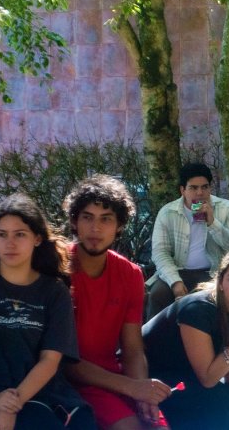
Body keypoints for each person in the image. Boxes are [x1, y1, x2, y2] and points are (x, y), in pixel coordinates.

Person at [0, 194, 97, 430]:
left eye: (19, 234)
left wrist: (12, 404)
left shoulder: (54, 291)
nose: (9, 243)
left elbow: (50, 361)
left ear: (37, 238)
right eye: (2, 235)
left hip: (44, 397)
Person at [63, 175, 172, 429]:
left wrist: (143, 394)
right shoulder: (57, 268)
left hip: (114, 378)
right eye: (87, 217)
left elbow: (132, 348)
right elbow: (63, 360)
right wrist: (134, 388)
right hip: (66, 382)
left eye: (106, 219)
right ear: (74, 221)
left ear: (119, 225)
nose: (95, 229)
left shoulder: (131, 274)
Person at [142, 246, 229, 429]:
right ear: (220, 283)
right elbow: (208, 379)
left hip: (183, 377)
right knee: (214, 400)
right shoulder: (198, 309)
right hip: (148, 376)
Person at [146, 162, 229, 319]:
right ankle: (154, 341)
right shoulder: (167, 212)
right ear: (182, 190)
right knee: (158, 294)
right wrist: (175, 282)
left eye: (204, 187)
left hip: (213, 272)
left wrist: (213, 223)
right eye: (193, 188)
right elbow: (160, 252)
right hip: (178, 270)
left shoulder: (227, 208)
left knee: (208, 301)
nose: (200, 193)